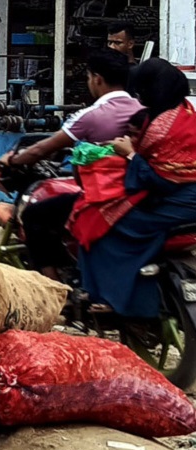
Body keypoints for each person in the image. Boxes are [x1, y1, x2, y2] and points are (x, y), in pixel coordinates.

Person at [0, 49, 141, 276]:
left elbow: (44, 148)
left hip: (104, 196)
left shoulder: (92, 115)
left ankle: (52, 286)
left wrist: (13, 159)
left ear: (97, 79)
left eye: (88, 77)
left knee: (35, 215)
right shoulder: (142, 110)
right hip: (137, 192)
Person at [72, 59, 196, 319]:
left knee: (95, 222)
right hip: (180, 198)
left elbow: (158, 180)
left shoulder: (162, 128)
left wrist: (129, 154)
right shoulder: (184, 111)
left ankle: (109, 297)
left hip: (175, 203)